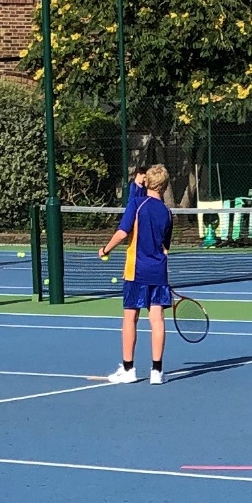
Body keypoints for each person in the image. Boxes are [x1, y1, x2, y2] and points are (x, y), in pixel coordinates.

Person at [99, 162, 172, 384]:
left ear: (148, 182)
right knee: (157, 319)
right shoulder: (168, 213)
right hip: (158, 272)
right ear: (165, 186)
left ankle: (129, 370)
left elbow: (122, 233)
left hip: (135, 271)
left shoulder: (136, 204)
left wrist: (105, 249)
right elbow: (165, 248)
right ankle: (156, 372)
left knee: (130, 318)